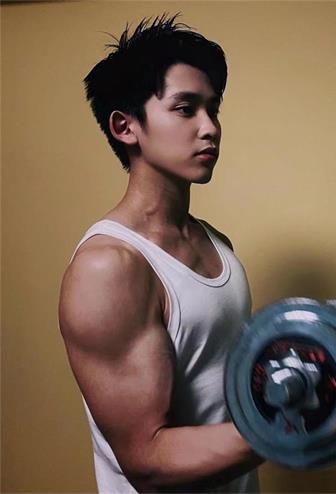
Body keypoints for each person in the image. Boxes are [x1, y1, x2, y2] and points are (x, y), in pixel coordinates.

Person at [59, 13, 263, 493]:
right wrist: (295, 431)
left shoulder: (217, 245)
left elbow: (224, 396)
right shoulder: (109, 267)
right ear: (125, 126)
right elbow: (147, 460)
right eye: (185, 109)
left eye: (213, 109)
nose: (210, 128)